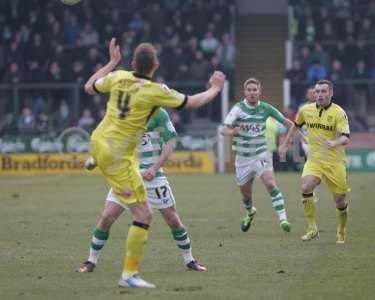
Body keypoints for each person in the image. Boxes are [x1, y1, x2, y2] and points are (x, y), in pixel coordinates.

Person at [82, 38, 225, 288]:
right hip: (120, 161)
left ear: (133, 62)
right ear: (155, 64)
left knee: (158, 214)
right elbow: (192, 102)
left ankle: (181, 261)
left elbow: (88, 87)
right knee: (144, 214)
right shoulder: (157, 91)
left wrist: (112, 62)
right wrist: (214, 88)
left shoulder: (119, 76)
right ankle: (128, 274)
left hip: (100, 144)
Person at [78, 108, 206, 274]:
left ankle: (190, 260)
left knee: (173, 219)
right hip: (127, 176)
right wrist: (97, 158)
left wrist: (154, 168)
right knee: (107, 217)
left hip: (153, 177)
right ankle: (90, 262)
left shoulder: (159, 113)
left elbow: (171, 142)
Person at [279, 80, 350, 244]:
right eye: (317, 91)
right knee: (305, 186)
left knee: (340, 200)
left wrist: (335, 142)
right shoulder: (305, 110)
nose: (320, 94)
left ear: (331, 93)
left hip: (335, 161)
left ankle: (341, 230)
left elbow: (346, 137)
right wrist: (285, 143)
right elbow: (295, 126)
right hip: (315, 159)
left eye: (324, 91)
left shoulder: (339, 113)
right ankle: (312, 229)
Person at [221, 78, 293, 233]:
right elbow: (223, 129)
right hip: (242, 159)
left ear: (259, 92)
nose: (252, 92)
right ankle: (249, 212)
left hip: (261, 154)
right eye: (249, 90)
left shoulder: (266, 108)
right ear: (245, 92)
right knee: (246, 196)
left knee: (270, 184)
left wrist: (285, 143)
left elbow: (290, 124)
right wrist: (232, 131)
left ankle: (283, 219)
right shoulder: (238, 109)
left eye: (255, 90)